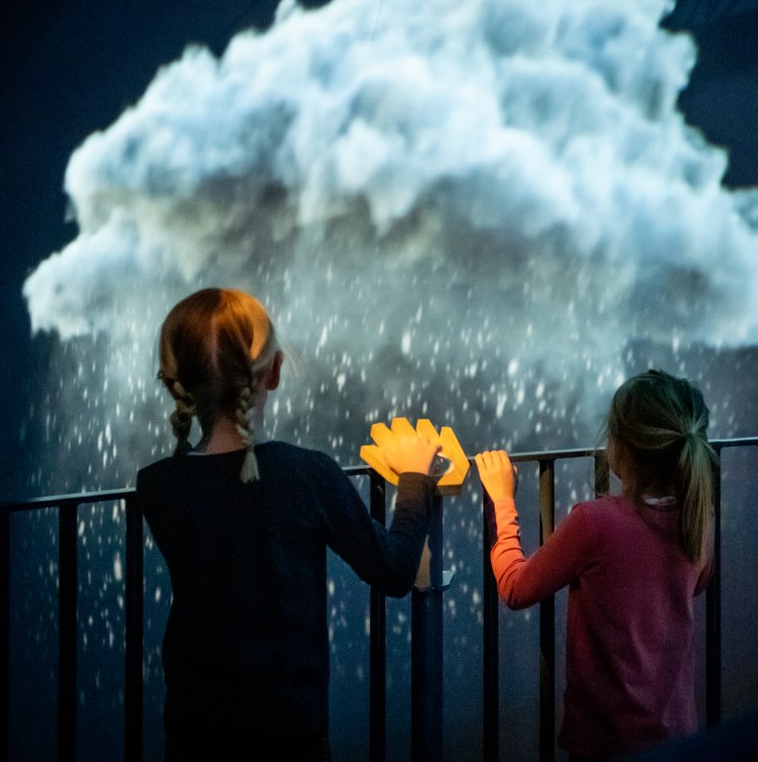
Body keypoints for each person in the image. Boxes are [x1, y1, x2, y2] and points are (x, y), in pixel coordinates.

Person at [136, 287, 440, 761]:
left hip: (195, 730)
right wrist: (416, 479)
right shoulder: (307, 476)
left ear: (180, 383)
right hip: (287, 732)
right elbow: (395, 569)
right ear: (273, 373)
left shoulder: (157, 487)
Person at [475, 369, 717, 761]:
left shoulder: (594, 523)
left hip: (609, 741)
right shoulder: (697, 513)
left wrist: (502, 500)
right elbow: (698, 581)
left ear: (622, 447)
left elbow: (516, 588)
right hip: (678, 732)